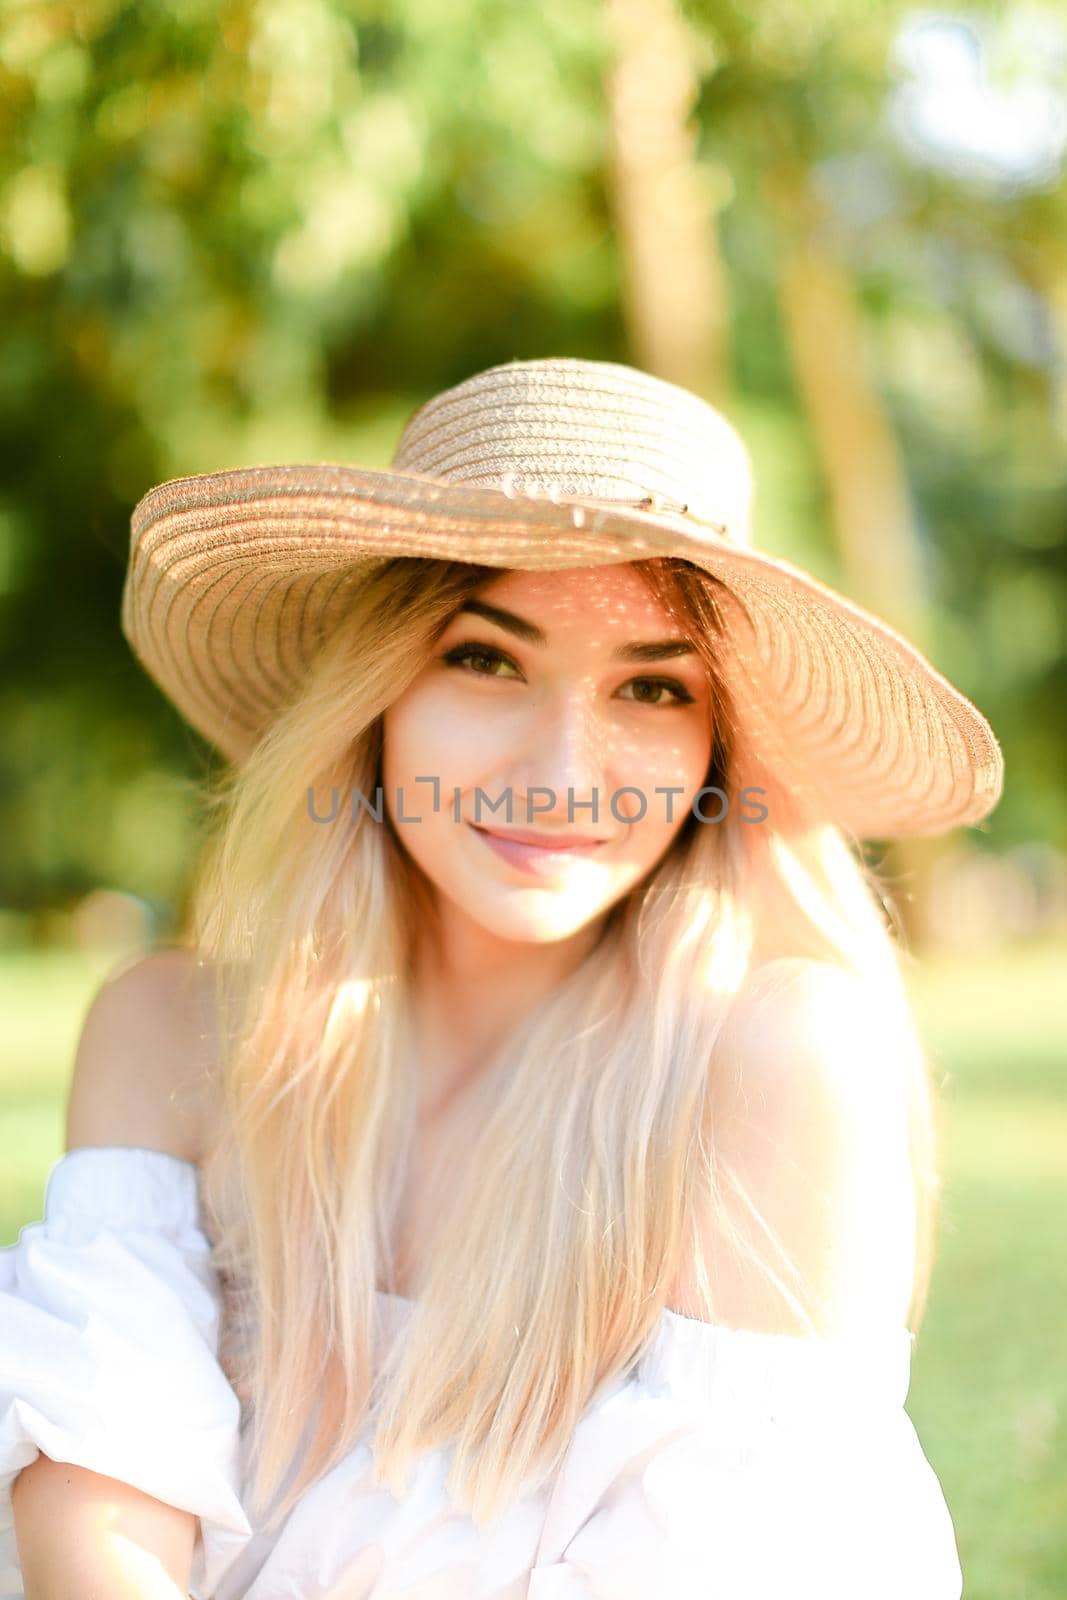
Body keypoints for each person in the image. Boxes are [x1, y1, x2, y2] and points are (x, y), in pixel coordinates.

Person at [1, 357, 1002, 1599]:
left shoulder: (774, 1062)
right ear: (379, 693)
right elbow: (95, 1500)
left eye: (650, 686)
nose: (563, 768)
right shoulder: (175, 1034)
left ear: (714, 747)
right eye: (486, 659)